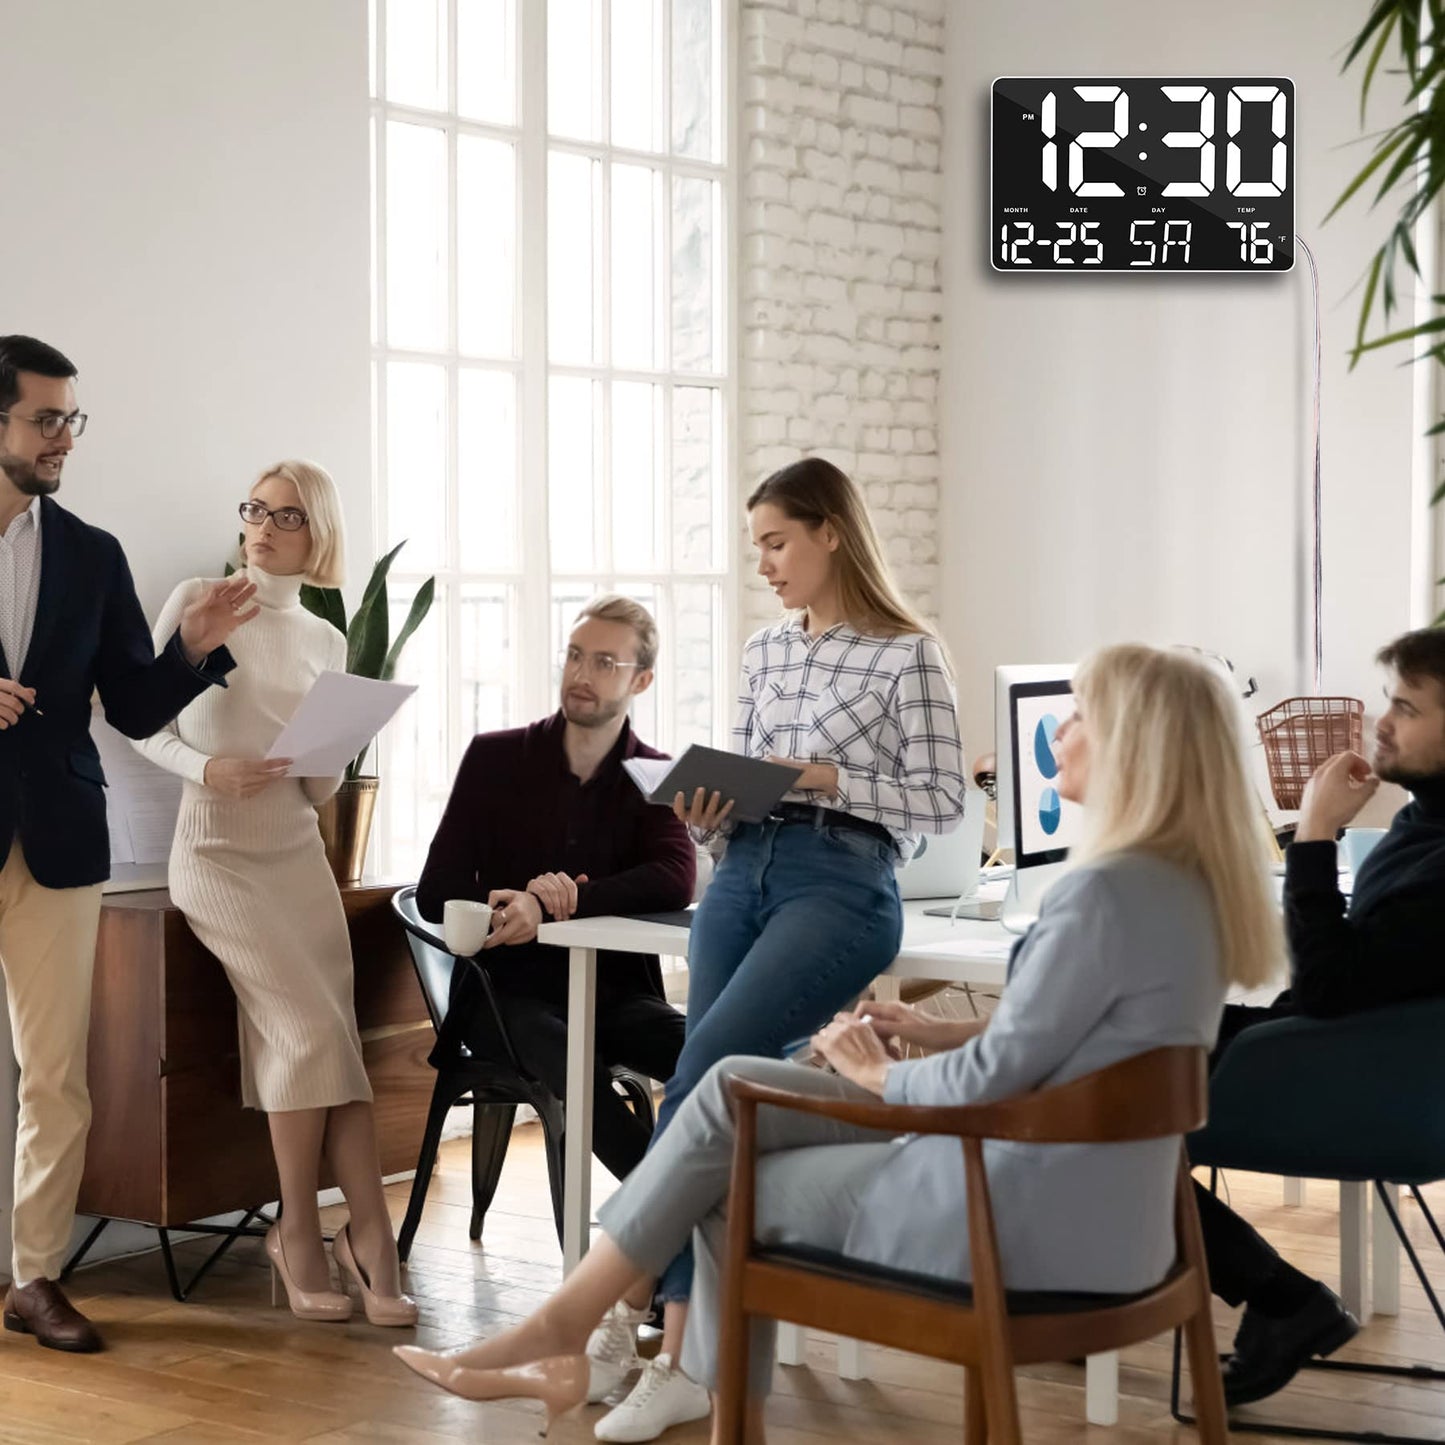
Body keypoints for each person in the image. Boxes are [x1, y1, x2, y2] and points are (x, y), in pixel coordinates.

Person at [390, 643, 1282, 1445]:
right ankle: (583, 1335)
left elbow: (1001, 1077)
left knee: (726, 1155)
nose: (1061, 729)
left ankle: (582, 1338)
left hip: (1005, 1210)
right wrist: (938, 1030)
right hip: (1113, 1218)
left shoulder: (1102, 893)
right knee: (736, 1082)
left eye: (1081, 713)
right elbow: (1089, 1037)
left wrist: (881, 1074)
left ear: (1133, 742)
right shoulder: (1183, 887)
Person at [571, 455, 966, 1442]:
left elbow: (941, 799)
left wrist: (820, 774)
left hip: (839, 885)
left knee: (704, 1073)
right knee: (708, 1094)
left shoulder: (908, 653)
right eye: (756, 547)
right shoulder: (763, 649)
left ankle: (628, 1315)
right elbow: (744, 785)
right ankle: (682, 1347)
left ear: (831, 530)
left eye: (776, 542)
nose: (766, 564)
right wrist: (709, 811)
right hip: (740, 869)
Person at [0, 335, 251, 1352]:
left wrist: (190, 646)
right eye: (45, 418)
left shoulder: (91, 553)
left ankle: (36, 1274)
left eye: (72, 418)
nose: (65, 437)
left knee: (55, 1073)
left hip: (56, 836)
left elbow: (135, 704)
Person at [132, 461, 416, 1327]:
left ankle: (366, 1234)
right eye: (254, 509)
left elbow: (318, 794)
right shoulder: (199, 597)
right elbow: (140, 718)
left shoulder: (328, 640)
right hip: (215, 854)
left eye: (286, 515)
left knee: (334, 1042)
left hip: (298, 858)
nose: (263, 526)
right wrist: (207, 766)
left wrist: (328, 752)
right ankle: (305, 1231)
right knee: (305, 1031)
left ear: (315, 531)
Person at [1194, 626, 1445, 1407]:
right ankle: (1270, 1296)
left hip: (1354, 1082)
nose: (1382, 722)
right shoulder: (1425, 822)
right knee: (1116, 1059)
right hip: (1345, 1057)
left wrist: (1312, 830)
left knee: (1107, 1107)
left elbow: (1330, 986)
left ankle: (1279, 1298)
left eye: (1404, 707)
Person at [415, 593, 694, 1209]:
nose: (580, 675)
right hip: (503, 994)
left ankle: (731, 1218)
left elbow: (676, 877)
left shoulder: (656, 773)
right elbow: (437, 888)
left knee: (710, 1052)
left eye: (603, 662)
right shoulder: (494, 758)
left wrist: (566, 899)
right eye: (574, 656)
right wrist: (507, 910)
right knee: (572, 1058)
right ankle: (673, 1226)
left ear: (641, 679)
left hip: (617, 997)